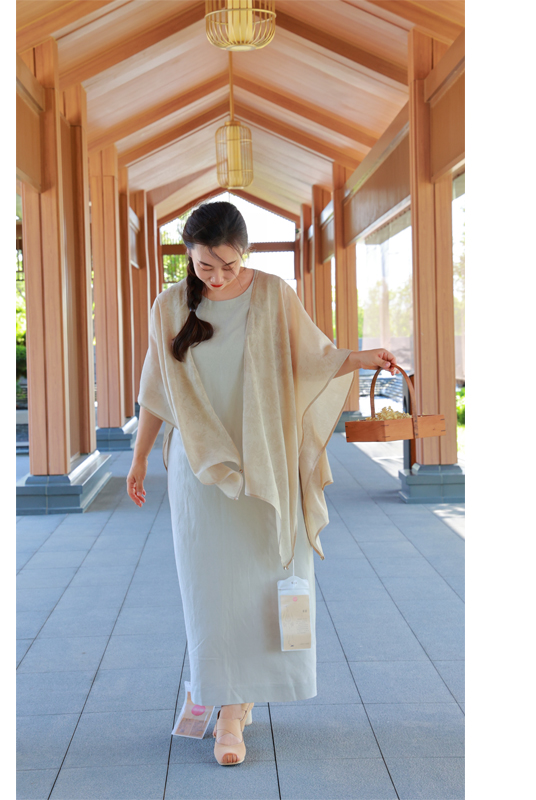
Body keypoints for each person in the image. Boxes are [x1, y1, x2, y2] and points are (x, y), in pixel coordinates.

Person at [126, 201, 397, 766]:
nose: (217, 276)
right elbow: (156, 390)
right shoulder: (169, 306)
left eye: (228, 264)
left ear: (244, 253)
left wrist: (361, 358)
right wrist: (139, 457)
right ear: (189, 255)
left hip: (267, 465)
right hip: (202, 475)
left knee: (265, 583)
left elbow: (313, 358)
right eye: (205, 265)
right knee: (211, 593)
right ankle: (227, 704)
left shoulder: (274, 294)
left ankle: (236, 703)